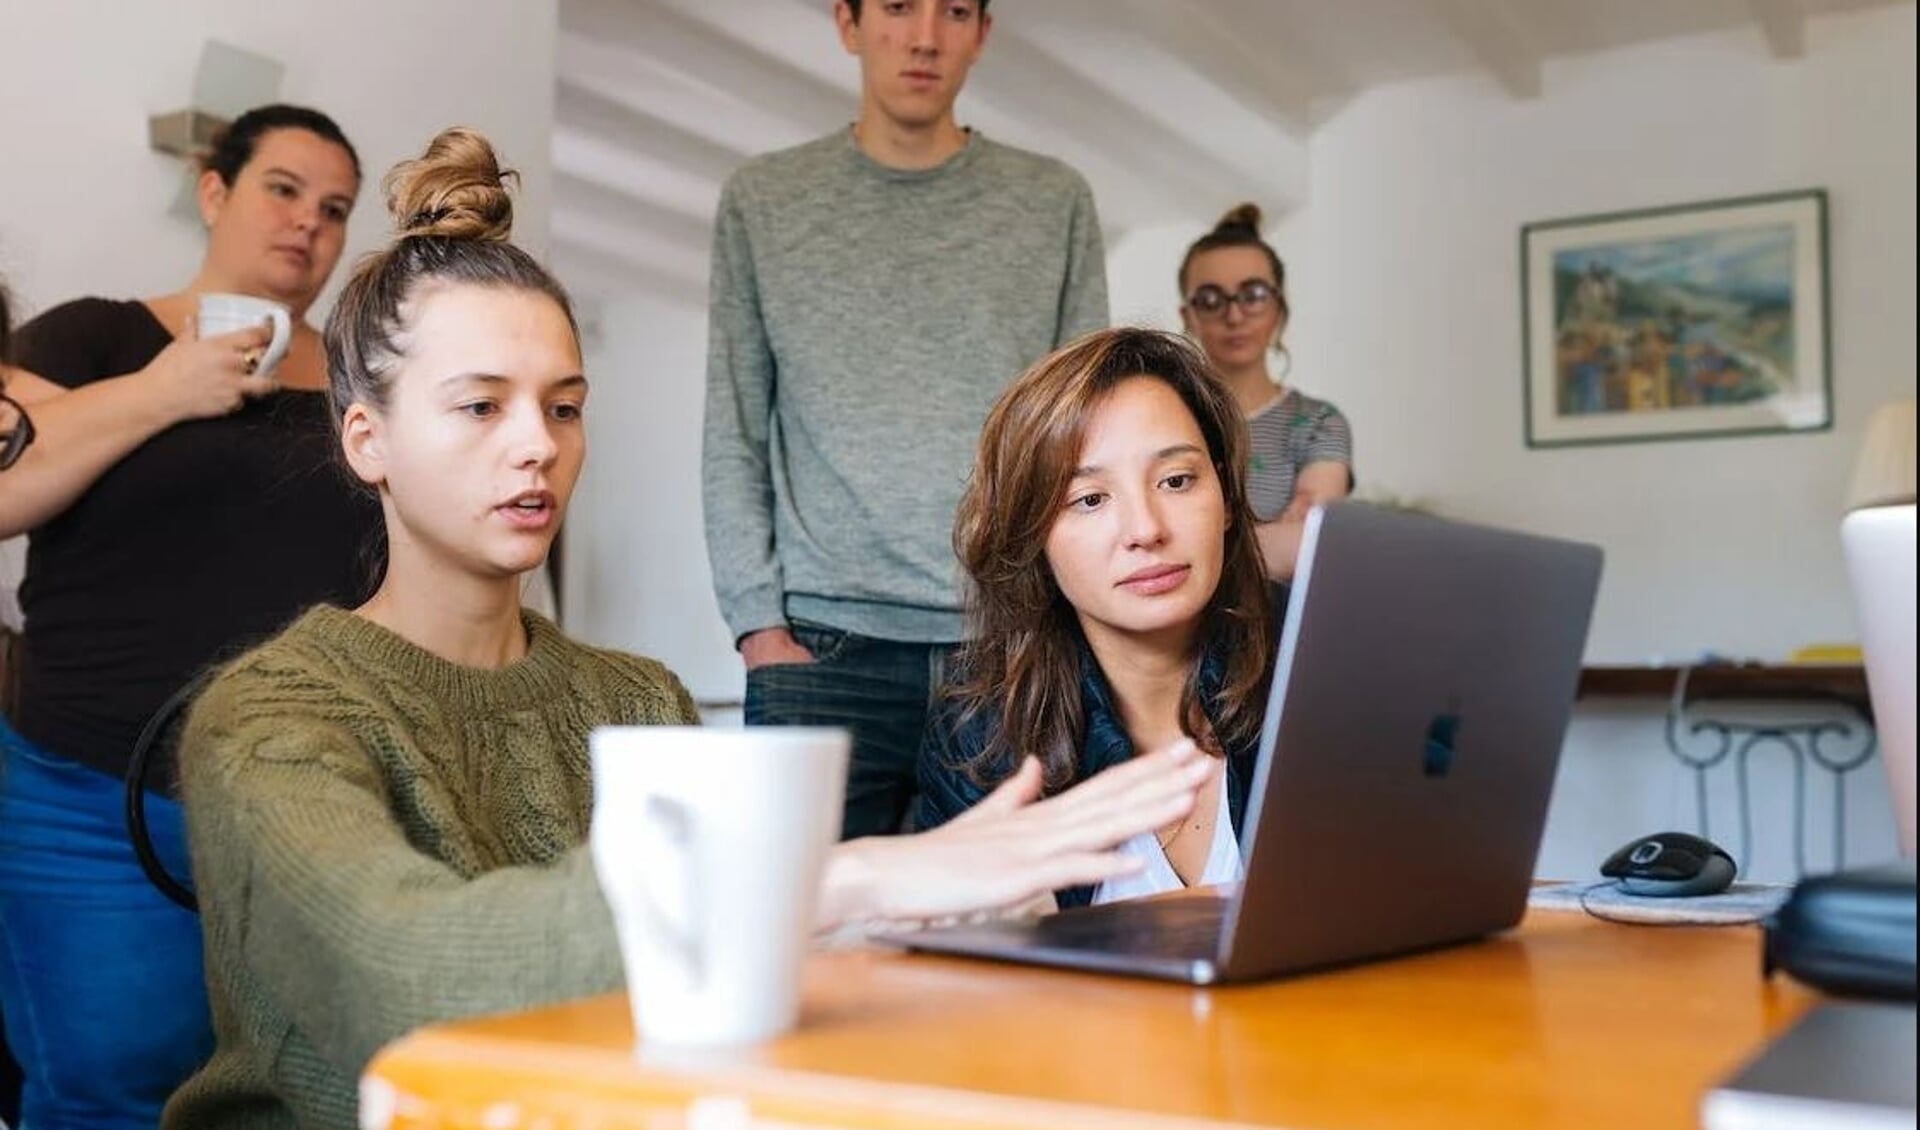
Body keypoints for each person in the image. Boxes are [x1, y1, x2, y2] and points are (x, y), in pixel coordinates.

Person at [164, 127, 1204, 1130]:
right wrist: (849, 874)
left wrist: (911, 920)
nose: (538, 445)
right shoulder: (263, 717)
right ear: (367, 438)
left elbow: (712, 1003)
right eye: (481, 406)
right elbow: (407, 982)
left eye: (563, 407)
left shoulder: (637, 700)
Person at [0, 105, 380, 1130]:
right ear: (214, 190)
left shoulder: (361, 384)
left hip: (307, 805)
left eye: (336, 207)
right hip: (93, 797)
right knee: (107, 1091)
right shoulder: (95, 336)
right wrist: (166, 391)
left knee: (298, 1097)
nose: (310, 222)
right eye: (284, 189)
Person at [703, 0, 1109, 840]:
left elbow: (1085, 438)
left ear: (982, 34)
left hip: (1006, 644)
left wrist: (1065, 623)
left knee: (998, 944)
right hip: (818, 651)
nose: (924, 36)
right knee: (807, 944)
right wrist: (757, 626)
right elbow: (733, 426)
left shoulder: (1054, 202)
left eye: (954, 10)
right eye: (896, 7)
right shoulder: (764, 200)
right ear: (847, 24)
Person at [916, 328, 1276, 909]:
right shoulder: (980, 737)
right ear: (1033, 537)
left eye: (1176, 480)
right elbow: (963, 984)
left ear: (1227, 499)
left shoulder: (1320, 670)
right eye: (1089, 499)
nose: (1145, 530)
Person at [1179, 203, 1352, 581]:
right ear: (1187, 316)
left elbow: (1307, 546)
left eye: (1253, 294)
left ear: (1278, 307)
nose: (1235, 315)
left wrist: (1185, 558)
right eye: (1210, 299)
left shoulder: (1320, 423)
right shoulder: (1166, 419)